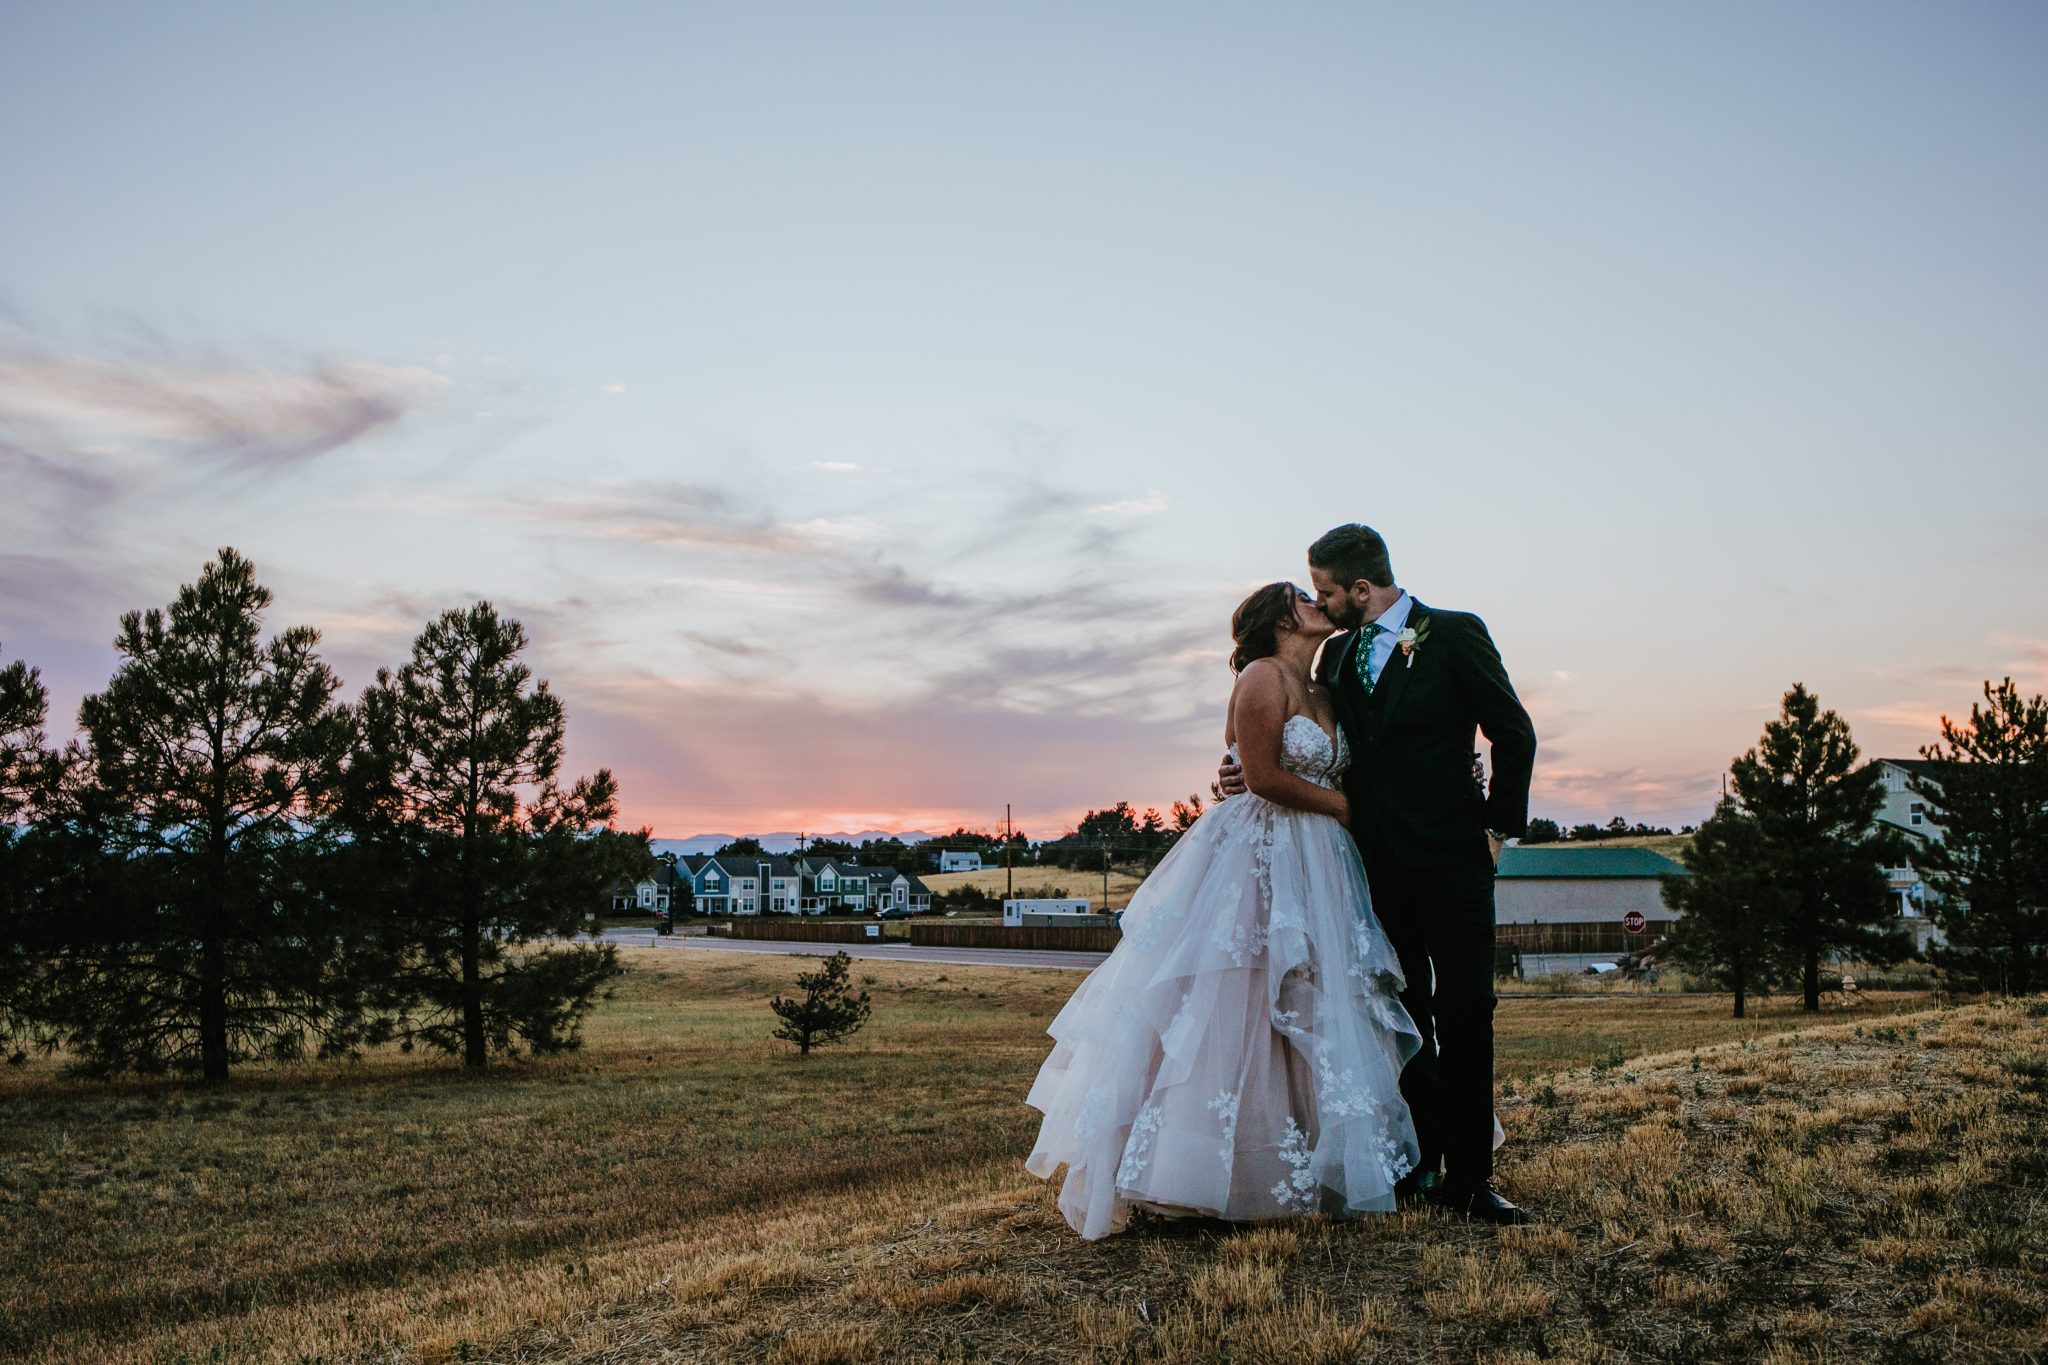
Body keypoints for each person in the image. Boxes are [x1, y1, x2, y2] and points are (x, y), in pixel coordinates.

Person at [1025, 582, 1421, 1240]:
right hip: (1262, 851)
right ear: (1278, 620)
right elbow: (1262, 777)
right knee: (1239, 999)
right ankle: (1202, 1172)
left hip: (1322, 862)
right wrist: (1348, 810)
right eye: (1302, 595)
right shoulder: (1262, 676)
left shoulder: (1326, 689)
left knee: (1311, 997)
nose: (1316, 598)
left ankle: (1313, 1163)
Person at [1221, 524, 1536, 1225]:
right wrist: (1238, 770)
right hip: (1370, 870)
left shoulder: (1455, 634)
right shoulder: (1332, 661)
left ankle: (1471, 1178)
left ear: (1362, 588)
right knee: (1400, 1014)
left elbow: (1513, 731)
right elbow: (1294, 740)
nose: (1322, 603)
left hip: (1454, 863)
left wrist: (1495, 829)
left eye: (1328, 591)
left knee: (1465, 1012)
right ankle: (1418, 1161)